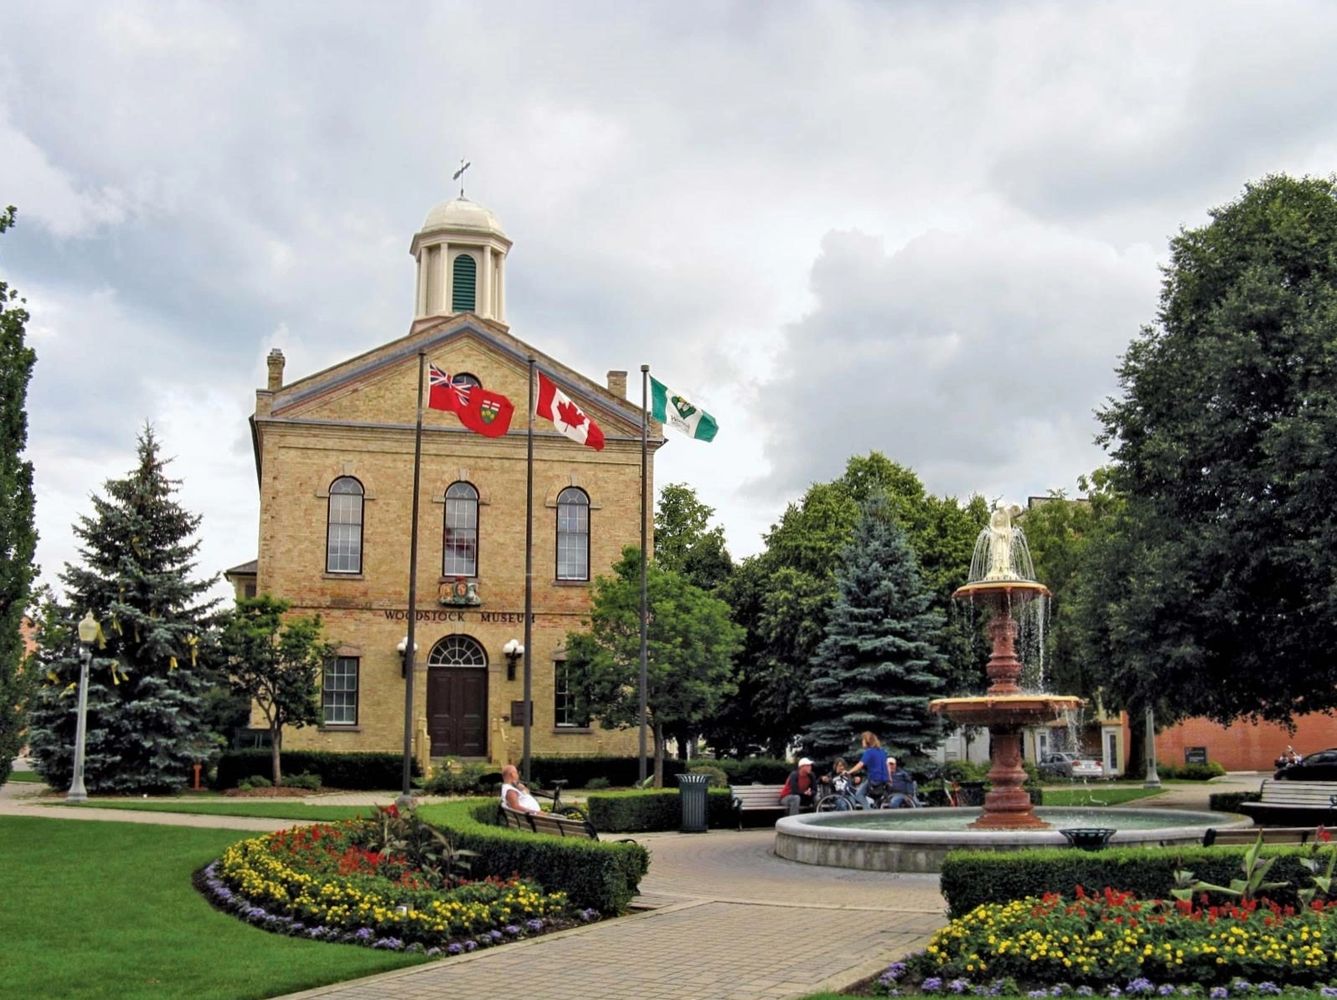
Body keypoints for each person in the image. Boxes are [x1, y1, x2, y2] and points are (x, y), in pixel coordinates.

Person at [848, 731, 891, 808]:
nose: (862, 742)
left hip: (874, 779)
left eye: (862, 740)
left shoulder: (869, 752)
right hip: (884, 780)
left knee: (859, 795)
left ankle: (868, 812)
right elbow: (887, 765)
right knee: (876, 801)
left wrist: (849, 772)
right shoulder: (882, 751)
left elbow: (860, 764)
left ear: (867, 741)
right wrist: (889, 778)